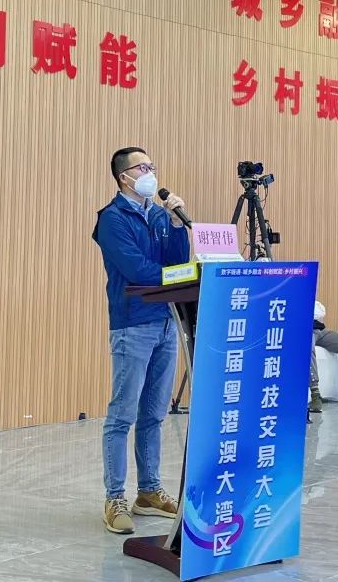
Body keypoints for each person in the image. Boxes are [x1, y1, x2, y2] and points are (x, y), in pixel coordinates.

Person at [92, 147, 191, 535]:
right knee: (122, 415)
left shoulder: (159, 215)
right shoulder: (112, 218)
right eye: (143, 167)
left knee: (154, 413)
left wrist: (177, 225)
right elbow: (137, 270)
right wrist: (174, 276)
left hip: (167, 322)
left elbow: (177, 260)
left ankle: (148, 491)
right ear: (124, 177)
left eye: (152, 166)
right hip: (133, 324)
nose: (151, 172)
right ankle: (114, 496)